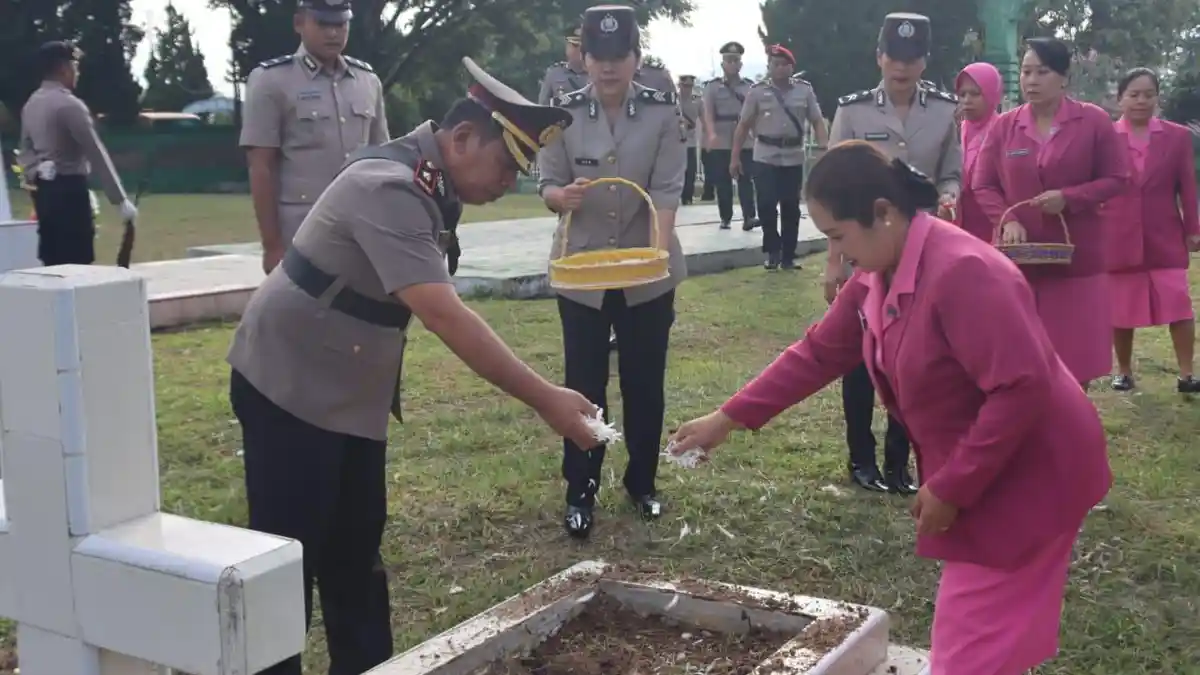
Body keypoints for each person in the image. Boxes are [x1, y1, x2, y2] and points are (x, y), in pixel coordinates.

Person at [669, 141, 1112, 675]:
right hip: (995, 465)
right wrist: (727, 418)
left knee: (969, 645)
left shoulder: (965, 272)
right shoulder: (880, 269)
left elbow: (1021, 388)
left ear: (883, 212)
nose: (836, 253)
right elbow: (818, 352)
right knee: (988, 636)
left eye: (838, 236)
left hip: (1033, 472)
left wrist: (953, 487)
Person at [227, 56, 600, 675]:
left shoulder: (428, 182)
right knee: (284, 566)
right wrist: (545, 397)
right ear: (460, 140)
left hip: (346, 392)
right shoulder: (390, 186)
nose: (510, 180)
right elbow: (444, 314)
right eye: (506, 162)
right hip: (288, 386)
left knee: (354, 554)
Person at [538, 4, 686, 539]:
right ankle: (581, 487)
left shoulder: (663, 111)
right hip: (583, 274)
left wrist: (657, 250)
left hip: (647, 270)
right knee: (584, 384)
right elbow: (547, 181)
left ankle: (642, 482)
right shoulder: (562, 112)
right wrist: (561, 195)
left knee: (645, 381)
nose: (607, 68)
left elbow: (667, 187)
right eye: (598, 56)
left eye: (618, 56)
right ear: (584, 58)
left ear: (636, 58)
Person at [825, 12, 960, 494]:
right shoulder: (854, 111)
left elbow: (952, 172)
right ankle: (861, 458)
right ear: (879, 57)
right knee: (860, 356)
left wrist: (948, 195)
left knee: (914, 356)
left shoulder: (945, 111)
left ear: (924, 61)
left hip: (922, 252)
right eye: (893, 57)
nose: (901, 67)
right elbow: (833, 193)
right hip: (865, 252)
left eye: (912, 58)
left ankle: (901, 461)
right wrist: (834, 262)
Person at [973, 37, 1129, 389]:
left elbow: (1117, 178)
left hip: (1078, 263)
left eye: (1042, 71)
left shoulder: (1093, 121)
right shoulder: (1005, 126)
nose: (1031, 80)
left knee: (1075, 363)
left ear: (1063, 76)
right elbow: (982, 184)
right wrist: (1007, 218)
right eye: (1027, 71)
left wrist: (1070, 197)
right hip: (1018, 263)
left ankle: (1072, 426)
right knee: (1020, 359)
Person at [239, 0, 390, 275]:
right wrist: (272, 246)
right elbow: (261, 167)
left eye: (340, 24)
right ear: (299, 23)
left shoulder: (368, 82)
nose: (333, 33)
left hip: (362, 230)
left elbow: (382, 161)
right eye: (323, 24)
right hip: (301, 233)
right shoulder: (271, 81)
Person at [1104, 68, 1200, 393]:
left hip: (1165, 235)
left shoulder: (1176, 137)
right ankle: (1124, 371)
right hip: (1117, 235)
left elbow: (1187, 186)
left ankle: (1187, 374)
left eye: (1148, 94)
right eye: (1134, 94)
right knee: (1120, 309)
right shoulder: (1105, 137)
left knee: (1179, 303)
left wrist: (1193, 229)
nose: (1141, 100)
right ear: (1120, 99)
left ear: (1158, 97)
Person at [18, 41, 137, 266]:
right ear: (64, 68)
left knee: (52, 260)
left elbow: (24, 150)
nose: (77, 72)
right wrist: (119, 200)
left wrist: (35, 169)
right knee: (77, 261)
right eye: (75, 66)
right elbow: (95, 151)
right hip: (71, 191)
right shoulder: (69, 105)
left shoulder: (31, 104)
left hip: (45, 193)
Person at [732, 44, 828, 270]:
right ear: (769, 66)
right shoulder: (757, 91)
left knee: (790, 206)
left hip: (793, 155)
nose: (780, 68)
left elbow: (817, 120)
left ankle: (788, 256)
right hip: (765, 154)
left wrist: (825, 147)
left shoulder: (804, 90)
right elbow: (743, 125)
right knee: (765, 204)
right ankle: (772, 251)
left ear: (792, 67)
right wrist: (734, 158)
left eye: (785, 64)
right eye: (776, 64)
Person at [702, 42, 758, 230]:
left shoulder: (749, 87)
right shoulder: (712, 87)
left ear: (741, 64)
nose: (733, 64)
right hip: (722, 139)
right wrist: (711, 134)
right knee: (723, 182)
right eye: (729, 60)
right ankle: (725, 217)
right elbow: (708, 113)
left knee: (746, 179)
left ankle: (749, 217)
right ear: (723, 64)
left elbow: (755, 113)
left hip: (745, 141)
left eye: (736, 60)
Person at [954, 62, 1003, 242]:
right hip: (957, 227)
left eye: (975, 94)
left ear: (991, 94)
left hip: (992, 229)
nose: (967, 100)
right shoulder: (956, 131)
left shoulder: (1004, 131)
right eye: (962, 94)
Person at [537, 25, 589, 105]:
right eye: (574, 46)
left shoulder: (598, 75)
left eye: (582, 47)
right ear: (567, 47)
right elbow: (542, 107)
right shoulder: (554, 74)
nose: (579, 50)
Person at [678, 74, 703, 205]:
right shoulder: (673, 99)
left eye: (689, 86)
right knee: (676, 171)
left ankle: (687, 197)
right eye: (684, 86)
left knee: (690, 170)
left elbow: (704, 117)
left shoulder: (697, 100)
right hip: (675, 140)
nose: (686, 89)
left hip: (691, 140)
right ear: (679, 85)